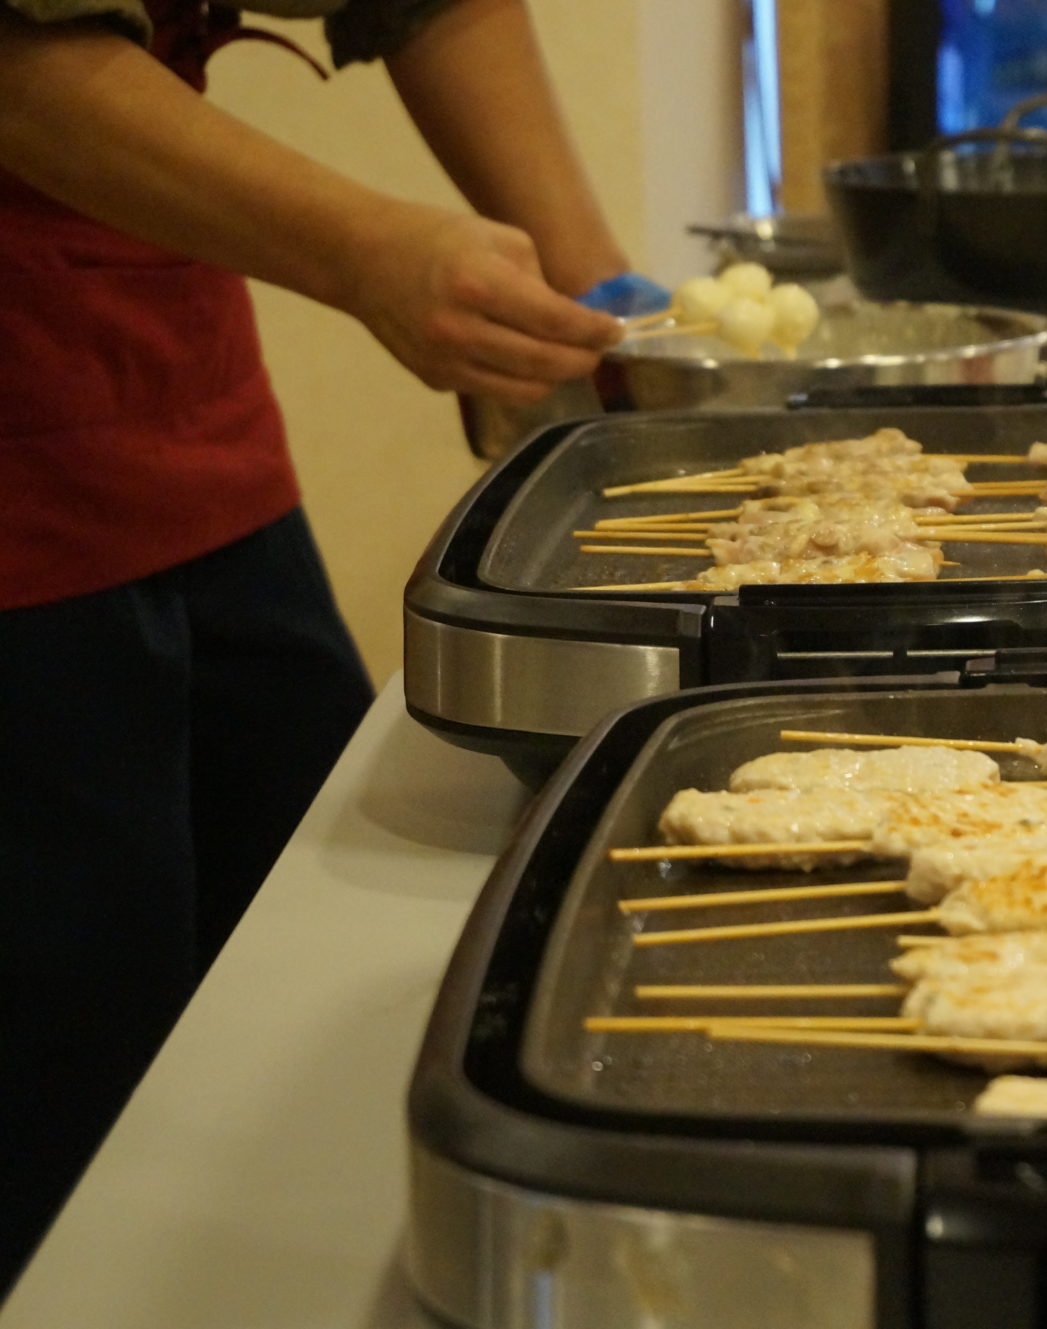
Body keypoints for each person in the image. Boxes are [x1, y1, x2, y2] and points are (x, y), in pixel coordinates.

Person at [0, 0, 660, 1291]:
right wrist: (370, 253)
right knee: (68, 1090)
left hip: (179, 387)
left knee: (300, 980)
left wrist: (604, 318)